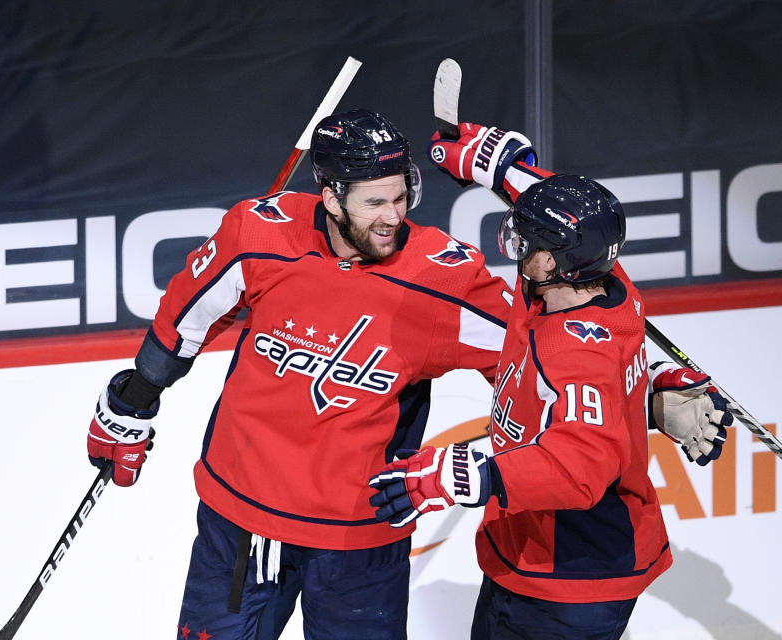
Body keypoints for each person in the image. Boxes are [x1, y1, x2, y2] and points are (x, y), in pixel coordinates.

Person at [85, 108, 525, 640]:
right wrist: (132, 401)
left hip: (359, 537)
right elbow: (187, 316)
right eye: (374, 202)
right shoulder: (259, 232)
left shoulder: (444, 278)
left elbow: (540, 357)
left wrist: (639, 384)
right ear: (331, 196)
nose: (393, 216)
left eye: (401, 196)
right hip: (242, 521)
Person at [369, 122, 731, 639]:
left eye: (527, 240)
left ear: (558, 260)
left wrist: (465, 476)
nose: (516, 247)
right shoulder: (589, 284)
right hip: (530, 553)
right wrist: (500, 164)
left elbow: (580, 467)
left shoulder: (579, 354)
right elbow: (566, 211)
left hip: (572, 577)